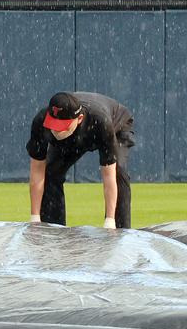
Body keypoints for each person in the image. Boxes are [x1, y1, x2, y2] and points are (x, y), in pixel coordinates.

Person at [26, 91, 135, 229]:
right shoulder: (41, 122)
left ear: (79, 118)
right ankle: (53, 233)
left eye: (61, 126)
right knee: (51, 173)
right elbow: (37, 170)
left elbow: (109, 175)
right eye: (53, 124)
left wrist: (110, 221)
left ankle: (121, 234)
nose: (56, 130)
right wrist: (35, 218)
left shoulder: (101, 122)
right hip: (73, 135)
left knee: (118, 172)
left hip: (117, 127)